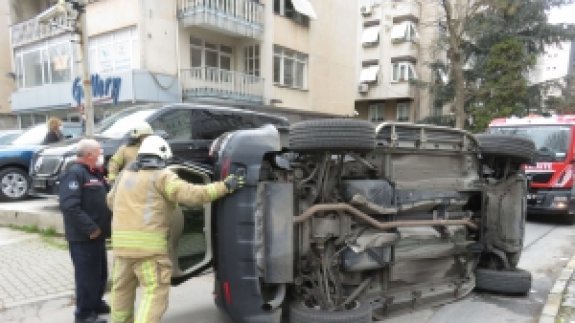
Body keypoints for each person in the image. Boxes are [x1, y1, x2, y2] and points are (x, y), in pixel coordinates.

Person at [106, 135, 244, 323]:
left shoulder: (124, 175)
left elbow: (111, 202)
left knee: (121, 292)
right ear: (162, 155)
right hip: (149, 251)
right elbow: (193, 195)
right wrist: (226, 186)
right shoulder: (162, 176)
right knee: (154, 294)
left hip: (122, 249)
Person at [59, 139, 112, 323]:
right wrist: (91, 228)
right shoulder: (74, 174)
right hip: (84, 237)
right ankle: (84, 314)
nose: (101, 154)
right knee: (86, 277)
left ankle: (95, 303)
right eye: (99, 151)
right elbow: (69, 206)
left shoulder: (95, 173)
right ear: (89, 155)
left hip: (98, 235)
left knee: (100, 274)